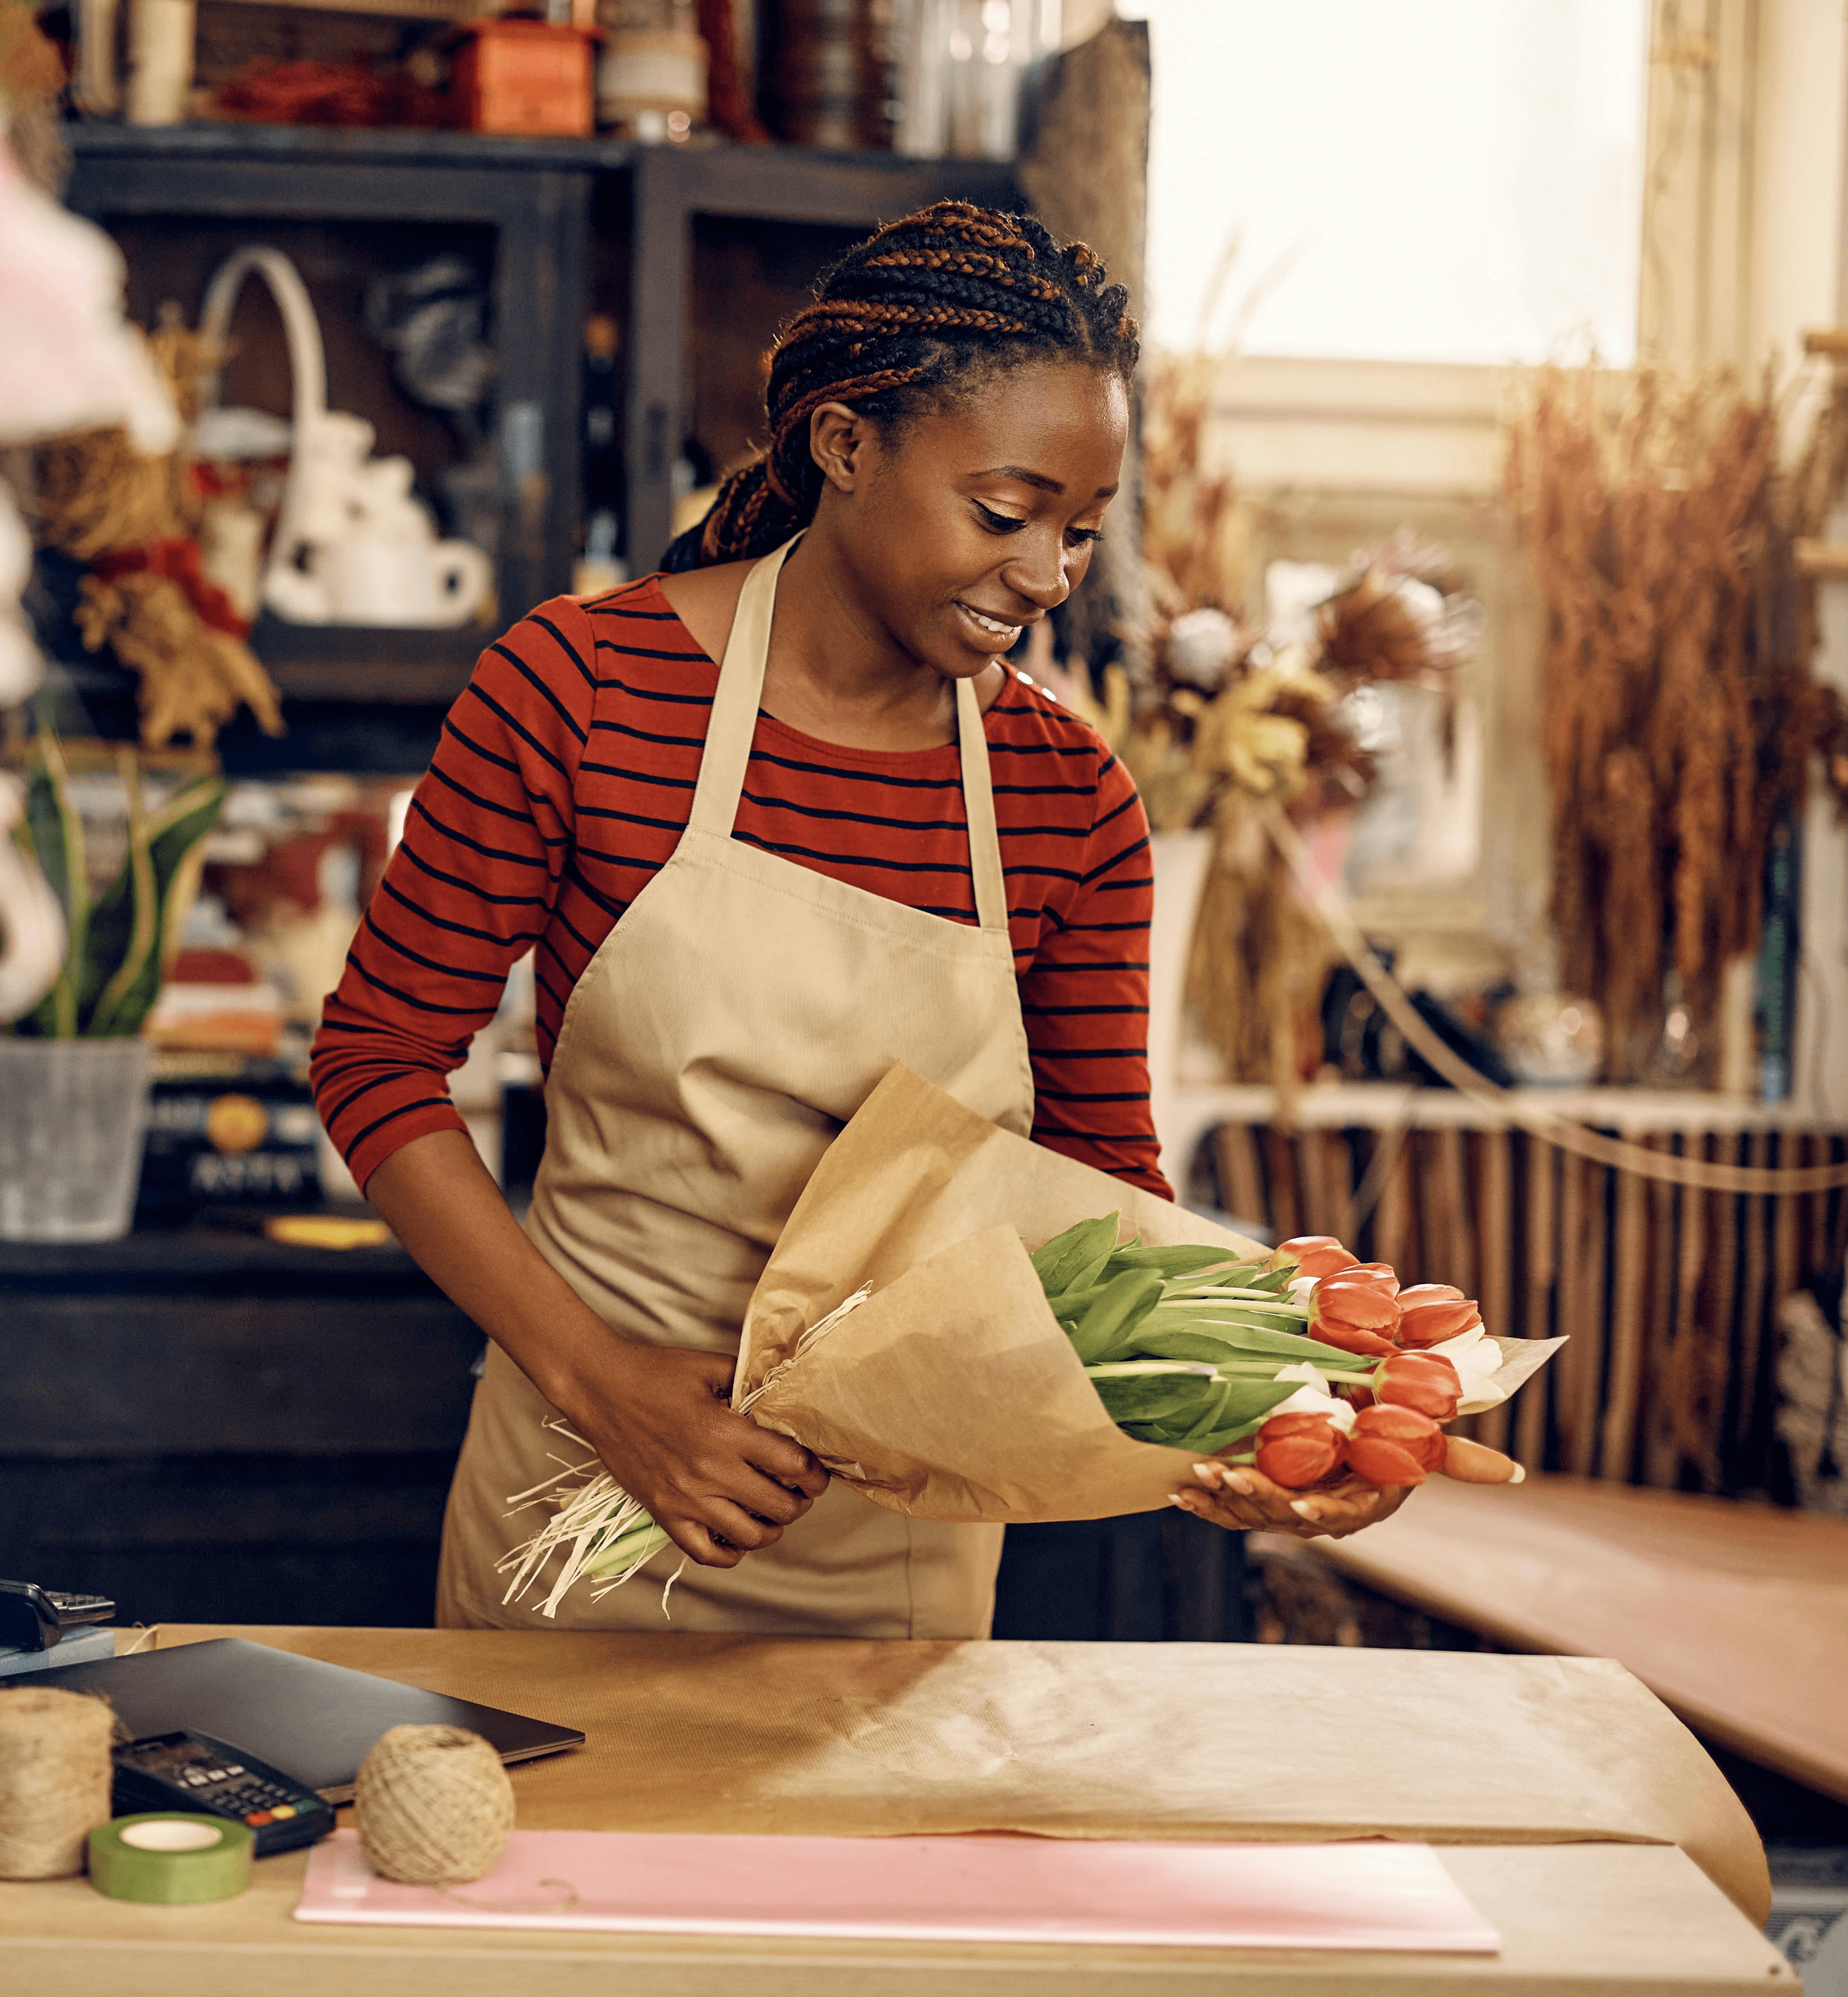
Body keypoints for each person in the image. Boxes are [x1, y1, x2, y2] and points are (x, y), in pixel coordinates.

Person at [310, 200, 1404, 1640]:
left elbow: (1098, 1197)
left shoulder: (1066, 797)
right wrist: (606, 1386)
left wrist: (1256, 1410)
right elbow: (377, 1062)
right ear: (841, 446)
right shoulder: (584, 689)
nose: (1045, 577)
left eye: (1079, 533)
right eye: (1004, 515)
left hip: (894, 1560)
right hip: (576, 1500)